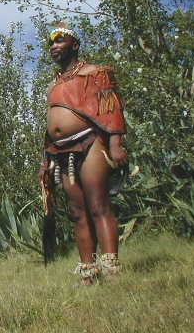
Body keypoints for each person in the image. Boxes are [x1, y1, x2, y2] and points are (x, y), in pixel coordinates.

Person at [38, 24, 127, 285]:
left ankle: (110, 268)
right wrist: (45, 161)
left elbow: (111, 109)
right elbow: (49, 127)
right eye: (51, 43)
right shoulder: (54, 85)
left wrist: (115, 144)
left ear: (75, 45)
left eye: (60, 40)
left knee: (98, 205)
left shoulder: (94, 73)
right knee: (77, 212)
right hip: (61, 151)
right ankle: (88, 272)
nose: (54, 46)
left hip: (91, 143)